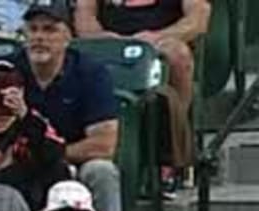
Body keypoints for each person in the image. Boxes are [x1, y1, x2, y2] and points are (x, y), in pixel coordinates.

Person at [77, 0, 206, 190]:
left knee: (179, 54)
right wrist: (102, 37)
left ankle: (172, 152)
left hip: (160, 44)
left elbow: (198, 18)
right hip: (111, 46)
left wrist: (158, 37)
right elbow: (84, 18)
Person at [21, 0, 124, 211]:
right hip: (23, 160)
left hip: (74, 159)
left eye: (49, 30)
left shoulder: (90, 73)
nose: (39, 37)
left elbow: (104, 144)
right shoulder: (9, 70)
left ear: (67, 37)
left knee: (102, 171)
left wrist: (54, 153)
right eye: (33, 29)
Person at [0, 43, 71, 211]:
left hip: (27, 206)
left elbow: (55, 156)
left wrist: (25, 116)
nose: (1, 95)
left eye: (8, 87)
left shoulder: (34, 123)